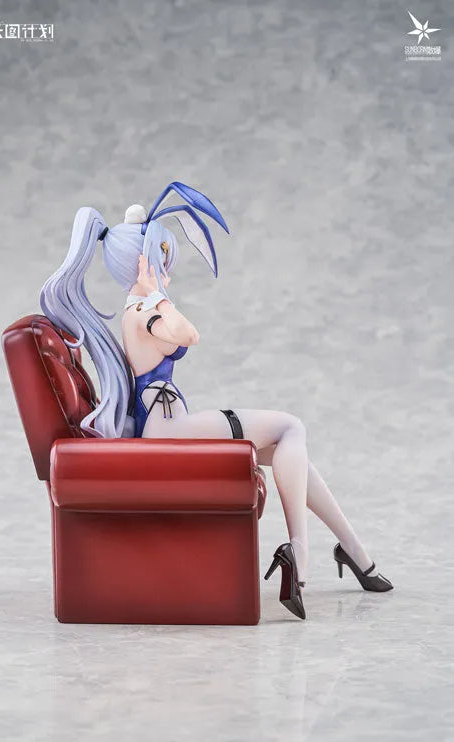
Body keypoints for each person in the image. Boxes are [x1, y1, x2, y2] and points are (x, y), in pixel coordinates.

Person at [40, 182, 393, 620]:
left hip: (168, 422)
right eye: (163, 257)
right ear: (145, 261)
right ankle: (301, 554)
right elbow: (190, 334)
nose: (169, 268)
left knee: (288, 451)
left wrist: (154, 290)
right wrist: (156, 291)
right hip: (169, 429)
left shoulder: (139, 309)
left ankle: (354, 552)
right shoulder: (144, 310)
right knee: (291, 427)